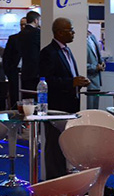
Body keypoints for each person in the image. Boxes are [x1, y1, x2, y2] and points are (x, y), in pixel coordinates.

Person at [38, 18, 90, 180]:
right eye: (70, 30)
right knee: (54, 146)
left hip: (70, 105)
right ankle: (55, 181)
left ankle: (65, 178)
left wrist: (78, 83)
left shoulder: (66, 50)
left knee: (66, 144)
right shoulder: (48, 52)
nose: (73, 33)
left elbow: (67, 76)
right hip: (56, 107)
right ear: (60, 33)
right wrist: (71, 82)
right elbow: (46, 80)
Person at [4, 10, 41, 108]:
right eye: (21, 25)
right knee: (16, 99)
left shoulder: (36, 34)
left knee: (30, 100)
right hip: (16, 73)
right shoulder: (14, 38)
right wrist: (9, 72)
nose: (23, 27)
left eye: (25, 24)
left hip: (31, 74)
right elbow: (6, 57)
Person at [85, 29, 105, 110]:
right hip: (88, 83)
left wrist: (102, 62)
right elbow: (81, 64)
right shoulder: (80, 40)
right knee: (89, 111)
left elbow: (97, 56)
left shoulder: (92, 37)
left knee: (95, 110)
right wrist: (95, 67)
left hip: (96, 82)